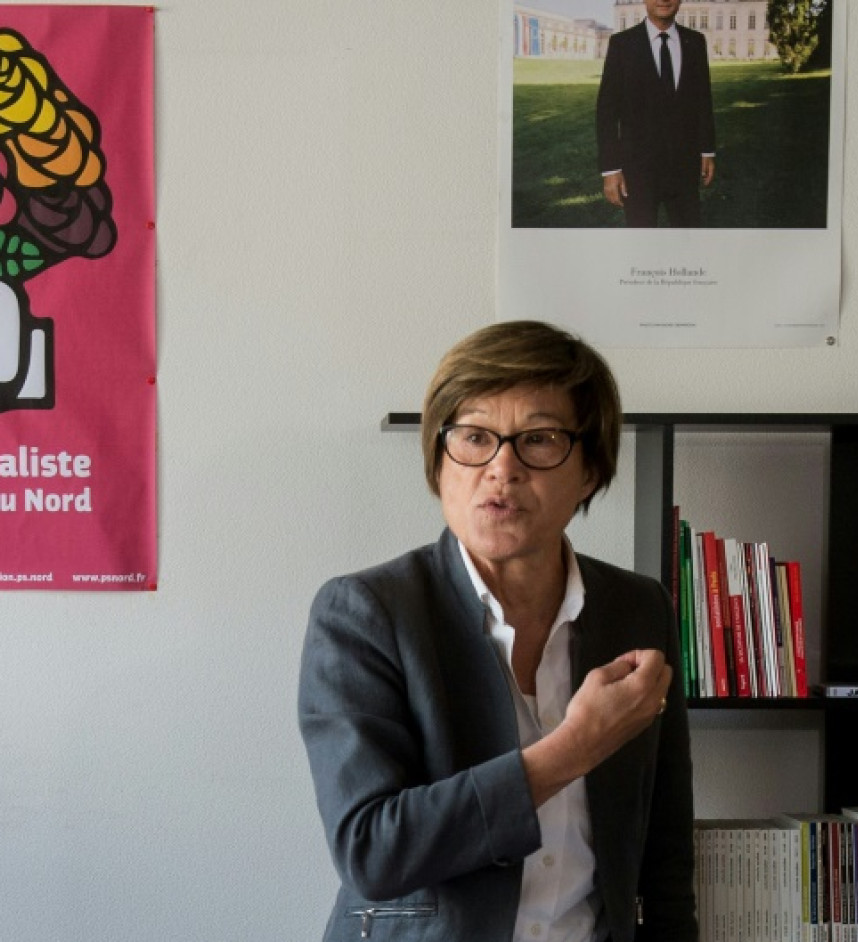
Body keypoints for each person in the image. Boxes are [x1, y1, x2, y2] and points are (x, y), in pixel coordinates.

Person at [298, 320, 696, 942]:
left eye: (538, 439)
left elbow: (665, 851)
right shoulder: (366, 613)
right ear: (438, 460)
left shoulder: (638, 609)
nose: (501, 468)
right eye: (475, 437)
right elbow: (372, 850)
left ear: (590, 469)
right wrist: (575, 747)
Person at [596, 0, 716, 227]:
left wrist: (707, 150)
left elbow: (703, 99)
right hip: (638, 172)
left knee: (687, 240)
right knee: (642, 245)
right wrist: (611, 169)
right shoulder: (622, 44)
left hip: (684, 168)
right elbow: (607, 111)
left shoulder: (695, 42)